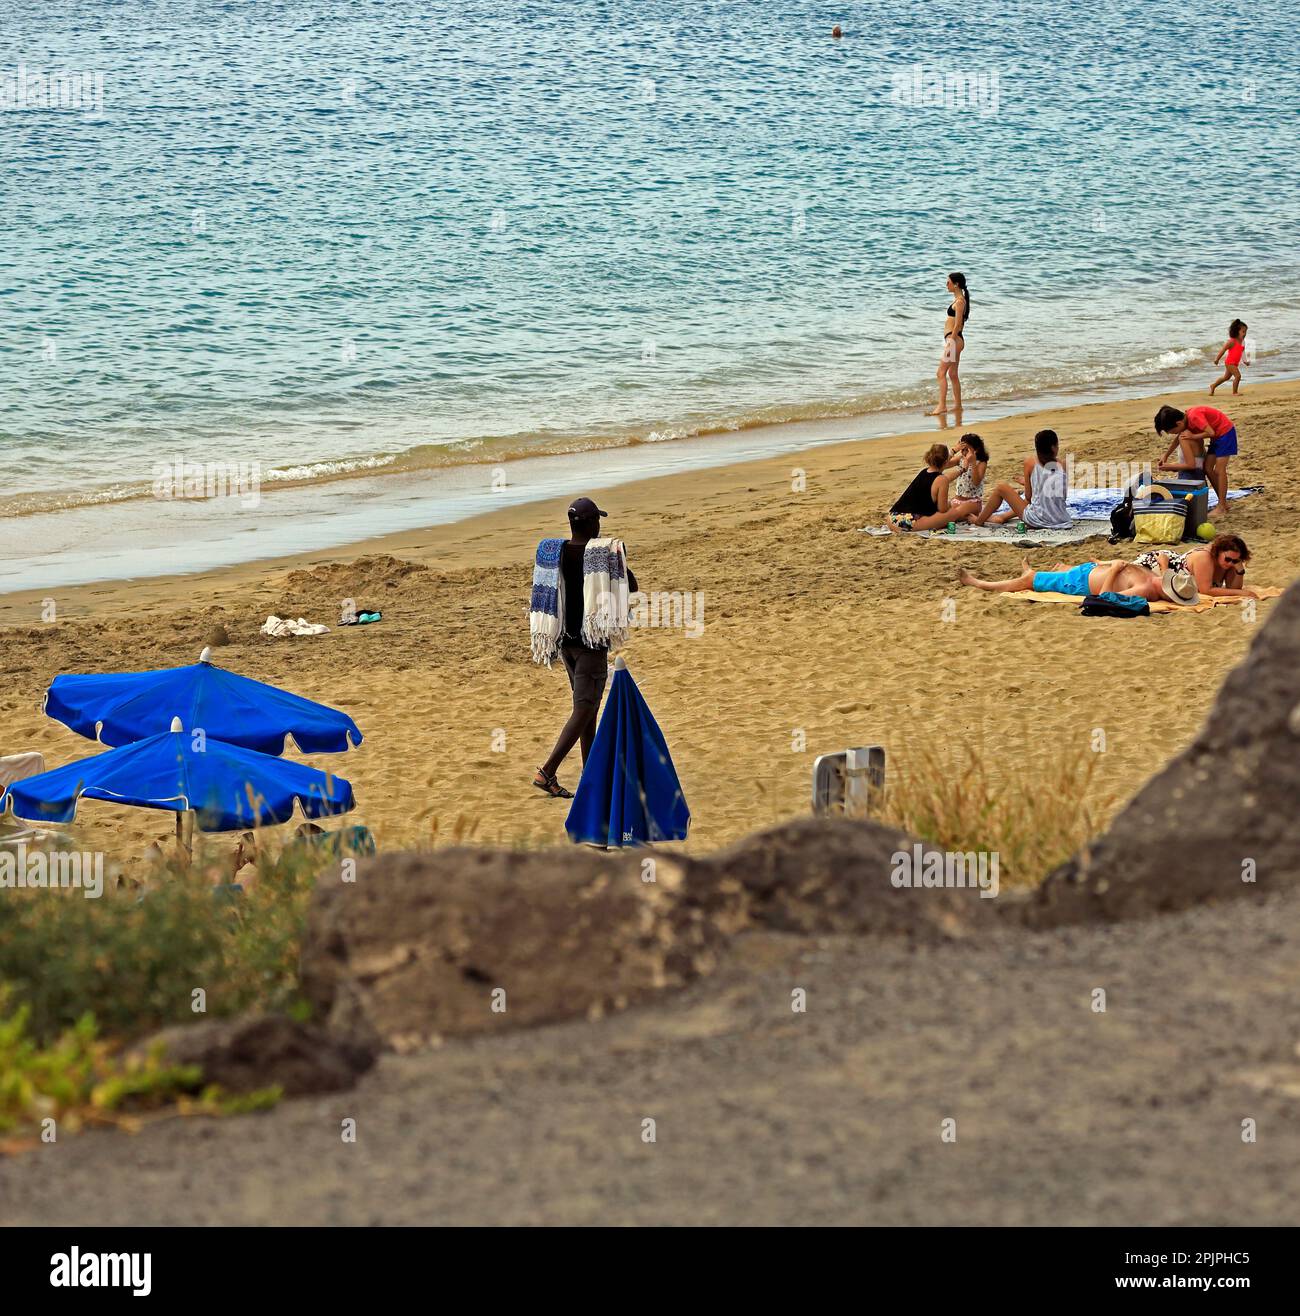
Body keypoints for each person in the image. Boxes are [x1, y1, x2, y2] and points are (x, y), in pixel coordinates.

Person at [533, 497, 638, 798]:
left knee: (587, 709)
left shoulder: (557, 553)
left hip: (565, 641)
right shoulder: (605, 555)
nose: (600, 525)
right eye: (598, 520)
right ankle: (547, 771)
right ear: (592, 524)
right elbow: (631, 587)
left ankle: (591, 773)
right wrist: (619, 562)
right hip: (591, 643)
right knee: (585, 707)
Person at [957, 557, 1199, 605]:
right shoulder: (1157, 579)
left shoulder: (1146, 589)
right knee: (1054, 573)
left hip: (1080, 583)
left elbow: (1102, 598)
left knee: (1031, 581)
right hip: (1089, 570)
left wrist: (1113, 570)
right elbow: (1163, 563)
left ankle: (980, 584)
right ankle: (1033, 572)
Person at [972, 429, 1071, 529]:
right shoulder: (1064, 464)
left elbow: (1029, 498)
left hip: (1037, 519)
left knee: (1001, 488)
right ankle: (1001, 517)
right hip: (1061, 519)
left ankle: (979, 521)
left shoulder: (1030, 462)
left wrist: (1029, 484)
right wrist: (1032, 483)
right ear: (1053, 448)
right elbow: (1061, 494)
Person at [1154, 404, 1237, 521]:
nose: (1174, 434)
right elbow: (1179, 438)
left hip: (1225, 433)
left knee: (1219, 470)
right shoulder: (1185, 420)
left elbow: (1211, 432)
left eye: (1173, 431)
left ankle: (1222, 505)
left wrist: (1193, 436)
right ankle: (1223, 502)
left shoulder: (1194, 417)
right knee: (1208, 468)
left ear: (1178, 424)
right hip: (1217, 437)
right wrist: (1166, 455)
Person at [1134, 532, 1259, 600]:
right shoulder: (1205, 558)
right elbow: (1206, 590)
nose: (1230, 563)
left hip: (1171, 574)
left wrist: (1239, 570)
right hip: (1157, 564)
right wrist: (1243, 593)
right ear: (1219, 551)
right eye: (1228, 559)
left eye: (1235, 561)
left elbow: (1234, 588)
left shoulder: (1230, 562)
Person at [887, 443, 974, 531]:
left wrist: (955, 455)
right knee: (953, 513)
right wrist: (963, 468)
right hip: (906, 523)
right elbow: (942, 509)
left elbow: (946, 476)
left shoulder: (925, 471)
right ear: (945, 462)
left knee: (945, 507)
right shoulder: (941, 480)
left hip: (892, 518)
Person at [930, 271, 970, 416]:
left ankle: (942, 406)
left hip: (954, 340)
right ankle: (958, 406)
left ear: (956, 284)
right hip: (955, 340)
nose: (946, 285)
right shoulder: (959, 300)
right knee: (952, 374)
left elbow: (958, 325)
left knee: (940, 373)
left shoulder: (959, 302)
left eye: (948, 282)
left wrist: (950, 343)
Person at [944, 433, 988, 520]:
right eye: (962, 450)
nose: (964, 453)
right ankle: (967, 516)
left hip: (973, 502)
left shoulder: (981, 462)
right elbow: (943, 465)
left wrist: (972, 462)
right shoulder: (961, 458)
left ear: (976, 449)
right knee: (941, 511)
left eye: (966, 450)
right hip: (957, 500)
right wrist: (953, 451)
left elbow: (976, 482)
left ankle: (969, 516)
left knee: (953, 516)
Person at [1210, 319, 1247, 396]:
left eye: (1245, 332)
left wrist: (1245, 361)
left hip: (1235, 363)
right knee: (1238, 376)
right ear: (1236, 331)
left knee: (1226, 377)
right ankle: (1234, 392)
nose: (1244, 334)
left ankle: (1213, 385)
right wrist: (1217, 359)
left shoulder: (1242, 341)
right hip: (1230, 363)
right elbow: (1223, 350)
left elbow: (1242, 352)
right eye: (1243, 332)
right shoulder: (1231, 341)